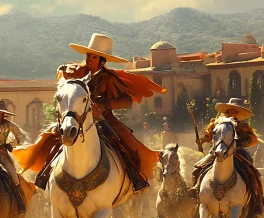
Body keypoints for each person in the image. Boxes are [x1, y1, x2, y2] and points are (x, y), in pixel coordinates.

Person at [13, 33, 166, 193]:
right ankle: (45, 173)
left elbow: (127, 100)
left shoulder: (110, 78)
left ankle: (135, 177)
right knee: (55, 136)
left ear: (102, 60)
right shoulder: (78, 72)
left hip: (102, 118)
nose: (89, 59)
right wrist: (62, 69)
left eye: (94, 57)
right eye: (88, 56)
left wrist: (105, 105)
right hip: (75, 117)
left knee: (120, 140)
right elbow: (62, 76)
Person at [189, 98, 264, 218]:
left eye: (234, 112)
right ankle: (195, 195)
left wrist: (236, 143)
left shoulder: (242, 126)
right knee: (197, 168)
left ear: (237, 114)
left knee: (254, 174)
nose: (230, 114)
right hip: (217, 151)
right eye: (228, 112)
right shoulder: (216, 123)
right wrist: (202, 140)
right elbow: (208, 135)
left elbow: (253, 140)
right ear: (225, 112)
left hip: (237, 153)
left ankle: (257, 201)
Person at [0, 100, 28, 213]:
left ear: (3, 113)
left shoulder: (10, 125)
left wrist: (11, 144)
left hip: (2, 155)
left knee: (14, 176)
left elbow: (21, 137)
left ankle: (20, 202)